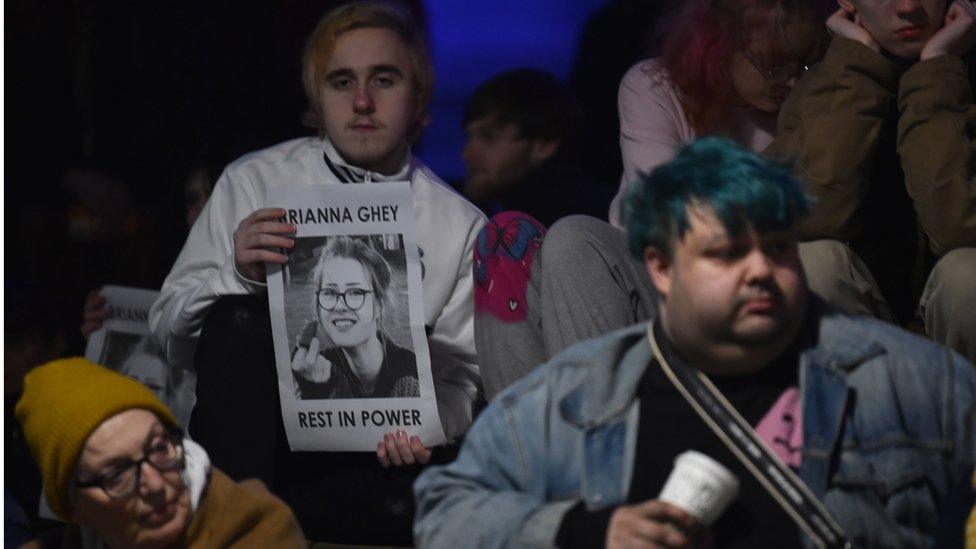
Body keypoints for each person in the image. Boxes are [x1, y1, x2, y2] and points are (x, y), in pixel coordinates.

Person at [414, 138, 976, 548]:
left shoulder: (912, 381)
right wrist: (588, 529)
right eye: (727, 253)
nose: (760, 271)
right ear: (660, 268)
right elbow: (444, 515)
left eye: (778, 249)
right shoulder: (579, 391)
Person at [150, 2, 485, 543]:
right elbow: (169, 333)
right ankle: (245, 533)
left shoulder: (459, 223)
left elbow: (463, 377)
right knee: (237, 315)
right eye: (341, 82)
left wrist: (429, 426)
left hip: (376, 464)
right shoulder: (254, 181)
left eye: (384, 79)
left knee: (407, 502)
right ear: (317, 99)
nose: (362, 102)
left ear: (417, 96)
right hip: (257, 450)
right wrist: (238, 274)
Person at [475, 0, 826, 399]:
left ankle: (601, 439)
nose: (793, 83)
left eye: (806, 65)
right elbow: (665, 214)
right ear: (720, 44)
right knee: (515, 238)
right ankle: (526, 447)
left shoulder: (818, 102)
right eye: (775, 66)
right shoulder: (658, 86)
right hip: (658, 275)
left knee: (574, 242)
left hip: (751, 279)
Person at [765, 0, 976, 362]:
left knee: (967, 275)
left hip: (960, 338)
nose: (909, 6)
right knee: (813, 264)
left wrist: (937, 69)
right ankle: (863, 413)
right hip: (867, 336)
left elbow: (961, 225)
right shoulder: (825, 84)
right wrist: (858, 63)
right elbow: (810, 216)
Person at [15, 357, 305, 548]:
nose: (155, 486)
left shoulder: (258, 530)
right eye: (117, 474)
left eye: (159, 448)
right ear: (76, 508)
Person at [460, 68, 609, 226]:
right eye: (470, 137)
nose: (467, 154)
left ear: (543, 146)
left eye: (488, 137)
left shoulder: (572, 221)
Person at [291, 235, 419, 399]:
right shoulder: (311, 368)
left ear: (379, 305)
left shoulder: (412, 376)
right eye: (330, 292)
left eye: (355, 293)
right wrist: (313, 395)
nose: (340, 305)